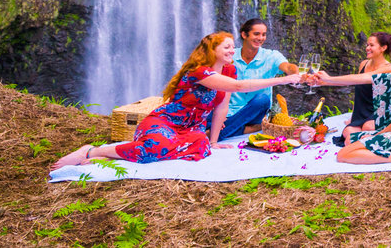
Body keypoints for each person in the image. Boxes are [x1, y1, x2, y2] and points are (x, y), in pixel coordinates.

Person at [51, 33, 301, 169]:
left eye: (232, 47)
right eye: (226, 47)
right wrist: (281, 80)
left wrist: (214, 141)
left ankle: (114, 156)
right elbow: (238, 88)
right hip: (165, 122)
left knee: (202, 147)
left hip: (190, 130)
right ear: (213, 50)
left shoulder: (229, 70)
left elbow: (222, 106)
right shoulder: (200, 73)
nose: (231, 51)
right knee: (154, 149)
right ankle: (94, 151)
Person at [312, 32, 391, 165]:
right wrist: (327, 81)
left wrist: (377, 135)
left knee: (343, 154)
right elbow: (364, 78)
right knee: (349, 140)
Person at [218, 18, 298, 140]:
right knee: (203, 117)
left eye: (264, 34)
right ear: (244, 34)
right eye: (256, 34)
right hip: (229, 111)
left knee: (262, 99)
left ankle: (219, 132)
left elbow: (288, 67)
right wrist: (220, 113)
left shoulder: (272, 56)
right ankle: (249, 128)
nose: (260, 38)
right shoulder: (230, 56)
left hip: (257, 112)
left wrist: (295, 73)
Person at [336, 32, 391, 147]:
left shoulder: (388, 68)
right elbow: (359, 92)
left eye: (371, 45)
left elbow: (367, 78)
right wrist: (352, 116)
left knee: (368, 128)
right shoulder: (363, 64)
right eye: (367, 45)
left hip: (377, 112)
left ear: (383, 48)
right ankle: (363, 143)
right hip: (361, 111)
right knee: (348, 132)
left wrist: (329, 79)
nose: (367, 48)